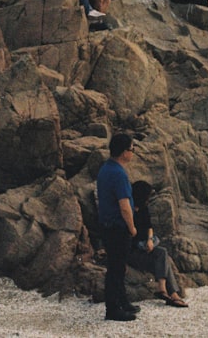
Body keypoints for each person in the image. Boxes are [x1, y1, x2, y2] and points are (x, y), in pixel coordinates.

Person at [95, 133, 138, 321]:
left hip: (106, 225)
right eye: (132, 149)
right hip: (118, 227)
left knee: (117, 266)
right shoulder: (119, 174)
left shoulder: (106, 169)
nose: (133, 153)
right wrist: (132, 228)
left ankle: (123, 301)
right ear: (124, 152)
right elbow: (124, 205)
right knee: (116, 268)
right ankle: (113, 309)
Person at [128, 181, 189, 308]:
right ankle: (171, 293)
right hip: (133, 251)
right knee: (162, 254)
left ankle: (167, 292)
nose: (149, 199)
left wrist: (150, 240)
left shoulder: (144, 209)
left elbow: (149, 227)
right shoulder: (129, 210)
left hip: (145, 247)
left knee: (162, 254)